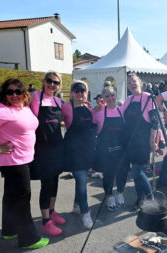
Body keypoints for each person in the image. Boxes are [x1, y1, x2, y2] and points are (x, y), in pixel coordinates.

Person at [0, 79, 48, 249]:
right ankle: (29, 239)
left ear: (24, 93)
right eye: (10, 92)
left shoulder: (24, 108)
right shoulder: (0, 111)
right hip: (13, 161)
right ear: (4, 94)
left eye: (18, 91)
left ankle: (9, 230)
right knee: (22, 198)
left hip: (24, 158)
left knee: (11, 196)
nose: (14, 95)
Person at [30, 71, 65, 236]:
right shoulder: (35, 97)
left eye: (56, 83)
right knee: (46, 185)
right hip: (42, 149)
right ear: (44, 81)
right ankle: (45, 221)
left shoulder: (59, 101)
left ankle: (52, 211)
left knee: (55, 182)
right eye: (50, 81)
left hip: (57, 149)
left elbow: (68, 116)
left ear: (59, 86)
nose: (52, 85)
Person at [122, 73, 158, 210]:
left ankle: (151, 198)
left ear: (140, 83)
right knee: (135, 173)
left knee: (137, 171)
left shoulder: (148, 98)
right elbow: (121, 116)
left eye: (134, 81)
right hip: (130, 141)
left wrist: (152, 140)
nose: (131, 83)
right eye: (129, 82)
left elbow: (155, 122)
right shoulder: (128, 100)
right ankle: (140, 198)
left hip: (143, 141)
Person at [62, 80, 95, 229]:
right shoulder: (67, 107)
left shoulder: (88, 108)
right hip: (73, 151)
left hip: (87, 150)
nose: (80, 93)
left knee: (81, 181)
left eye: (83, 90)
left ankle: (76, 206)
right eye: (77, 90)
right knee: (82, 182)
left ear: (87, 93)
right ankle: (85, 213)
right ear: (72, 92)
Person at [94, 86, 128, 210]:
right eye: (107, 96)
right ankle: (109, 196)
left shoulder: (122, 110)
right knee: (108, 175)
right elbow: (92, 128)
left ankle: (120, 193)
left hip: (121, 149)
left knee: (122, 173)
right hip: (106, 150)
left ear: (116, 95)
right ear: (103, 98)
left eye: (112, 95)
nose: (110, 98)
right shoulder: (98, 113)